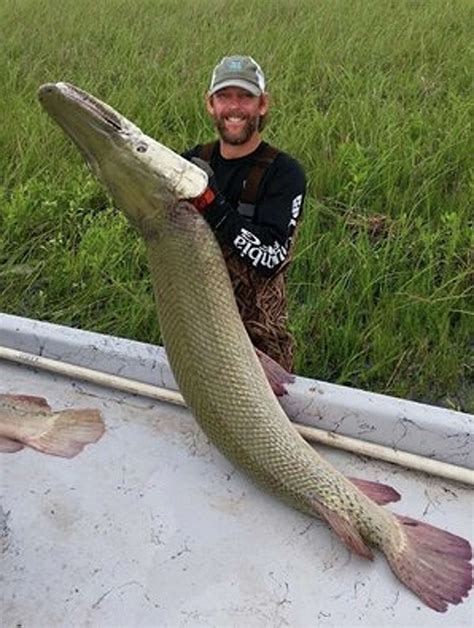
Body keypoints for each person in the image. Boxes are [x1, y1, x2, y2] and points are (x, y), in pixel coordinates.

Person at [183, 55, 306, 372]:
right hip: (196, 329)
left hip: (260, 345)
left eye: (245, 97)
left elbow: (271, 258)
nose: (234, 108)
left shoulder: (284, 173)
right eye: (225, 96)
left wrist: (213, 205)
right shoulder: (190, 162)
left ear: (262, 104)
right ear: (211, 104)